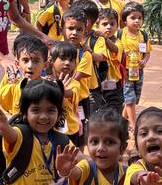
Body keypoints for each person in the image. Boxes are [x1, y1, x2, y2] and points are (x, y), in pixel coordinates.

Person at [0, 34, 48, 114]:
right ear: (17, 63)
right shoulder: (12, 86)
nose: (30, 66)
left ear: (45, 65)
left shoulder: (49, 89)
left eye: (36, 61)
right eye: (25, 60)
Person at [62, 8, 92, 148]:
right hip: (61, 98)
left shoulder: (85, 55)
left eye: (79, 29)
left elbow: (76, 78)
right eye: (70, 28)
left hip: (79, 100)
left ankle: (79, 163)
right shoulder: (55, 50)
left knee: (79, 133)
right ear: (63, 28)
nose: (74, 32)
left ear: (85, 32)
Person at [120, 2, 150, 131]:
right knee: (129, 98)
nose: (136, 21)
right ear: (125, 20)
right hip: (125, 71)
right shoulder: (120, 34)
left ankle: (121, 121)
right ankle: (133, 125)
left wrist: (144, 61)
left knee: (135, 97)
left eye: (139, 18)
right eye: (133, 18)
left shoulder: (143, 36)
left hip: (138, 71)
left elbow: (147, 52)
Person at [49, 41, 81, 145]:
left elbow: (69, 93)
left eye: (71, 60)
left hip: (71, 130)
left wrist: (61, 90)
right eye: (63, 58)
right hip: (50, 127)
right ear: (51, 61)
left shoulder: (75, 84)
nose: (67, 63)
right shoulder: (45, 81)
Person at [96, 8, 124, 113]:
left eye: (112, 24)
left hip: (114, 86)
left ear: (117, 25)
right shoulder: (95, 41)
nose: (109, 27)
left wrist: (105, 38)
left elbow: (115, 49)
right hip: (98, 84)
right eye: (105, 24)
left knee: (114, 113)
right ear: (97, 25)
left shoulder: (118, 42)